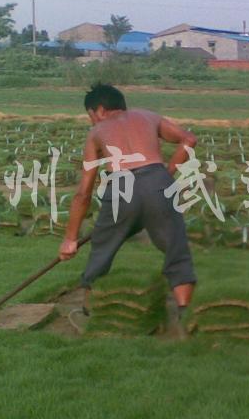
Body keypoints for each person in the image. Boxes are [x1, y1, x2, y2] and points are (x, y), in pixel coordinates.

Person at [58, 83, 198, 322]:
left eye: (90, 116)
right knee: (175, 245)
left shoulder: (97, 132)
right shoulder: (148, 116)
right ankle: (184, 311)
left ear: (100, 110)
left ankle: (88, 308)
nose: (92, 122)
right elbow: (189, 139)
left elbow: (84, 193)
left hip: (121, 188)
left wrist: (70, 239)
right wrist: (168, 172)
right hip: (158, 182)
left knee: (103, 245)